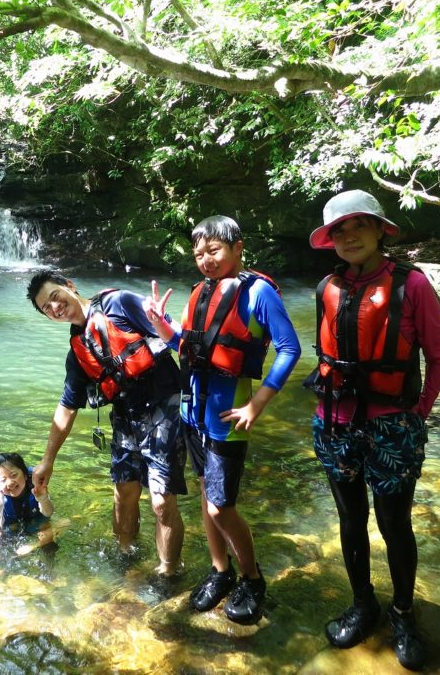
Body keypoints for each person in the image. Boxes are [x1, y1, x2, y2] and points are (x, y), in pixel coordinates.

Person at [306, 189, 440, 671]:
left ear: (378, 230)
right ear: (331, 241)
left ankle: (403, 613)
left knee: (393, 522)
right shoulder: (328, 286)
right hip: (336, 422)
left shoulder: (413, 286)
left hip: (393, 425)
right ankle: (362, 603)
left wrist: (420, 411)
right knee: (350, 518)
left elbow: (437, 353)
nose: (349, 237)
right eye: (339, 232)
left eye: (357, 227)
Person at [144, 215, 301, 625]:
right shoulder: (199, 292)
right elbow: (188, 343)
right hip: (193, 411)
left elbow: (289, 349)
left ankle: (252, 578)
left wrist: (258, 403)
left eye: (214, 251)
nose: (206, 260)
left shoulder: (258, 293)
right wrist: (163, 327)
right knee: (204, 494)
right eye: (199, 254)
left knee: (220, 507)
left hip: (229, 413)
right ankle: (220, 570)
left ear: (237, 247)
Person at [27, 270, 187, 576]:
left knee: (161, 501)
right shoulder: (77, 352)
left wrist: (164, 323)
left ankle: (168, 573)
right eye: (47, 309)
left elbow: (176, 337)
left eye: (55, 297)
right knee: (123, 493)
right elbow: (67, 408)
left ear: (69, 286)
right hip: (126, 415)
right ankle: (126, 561)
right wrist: (48, 461)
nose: (55, 307)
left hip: (164, 406)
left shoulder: (120, 303)